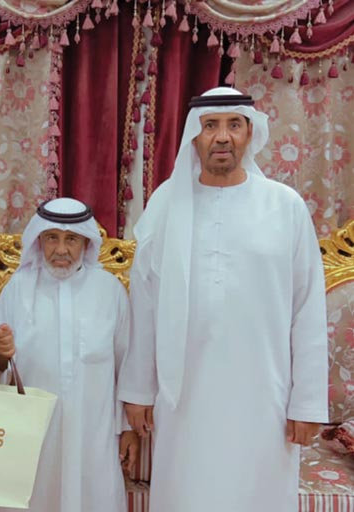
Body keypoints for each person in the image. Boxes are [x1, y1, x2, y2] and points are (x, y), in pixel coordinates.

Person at [118, 87, 328, 512]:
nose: (222, 136)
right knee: (187, 494)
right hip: (183, 397)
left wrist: (307, 403)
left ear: (251, 133)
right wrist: (138, 390)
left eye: (234, 125)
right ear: (194, 137)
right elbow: (144, 304)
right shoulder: (167, 204)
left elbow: (308, 309)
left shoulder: (284, 206)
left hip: (263, 396)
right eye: (210, 125)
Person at [0, 197, 137, 512]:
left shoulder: (110, 291)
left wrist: (127, 429)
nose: (60, 249)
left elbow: (127, 365)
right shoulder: (17, 289)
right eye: (51, 238)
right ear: (39, 240)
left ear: (86, 243)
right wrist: (0, 352)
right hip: (32, 432)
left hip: (93, 430)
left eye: (71, 239)